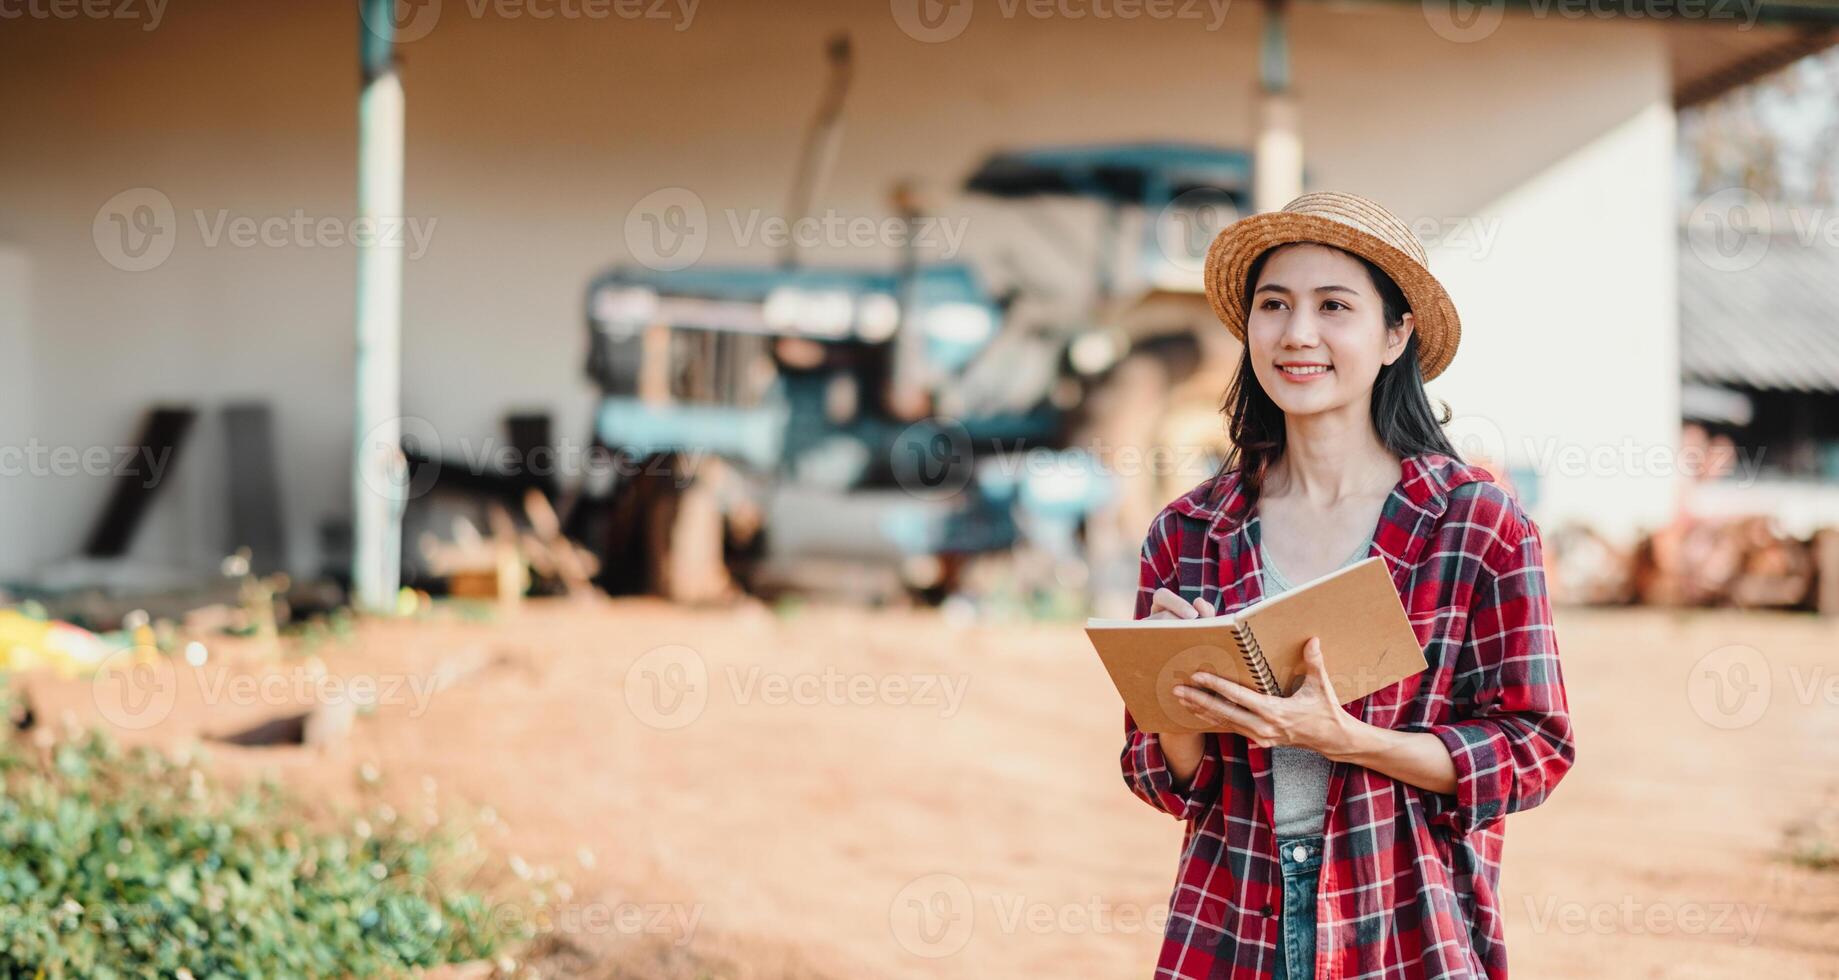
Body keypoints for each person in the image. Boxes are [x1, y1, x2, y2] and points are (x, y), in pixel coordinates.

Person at [1120, 192, 1575, 980]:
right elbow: (1164, 778)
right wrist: (1178, 697)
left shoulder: (1473, 525)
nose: (1298, 334)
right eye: (1274, 305)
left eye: (1334, 306)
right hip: (1229, 916)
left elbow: (1531, 749)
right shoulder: (1186, 533)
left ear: (1396, 333)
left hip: (1400, 917)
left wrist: (1347, 740)